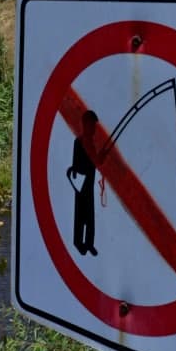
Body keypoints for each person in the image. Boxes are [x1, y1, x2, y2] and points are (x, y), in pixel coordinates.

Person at [67, 109, 98, 256]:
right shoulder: (79, 142)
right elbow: (78, 162)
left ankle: (89, 243)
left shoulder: (91, 143)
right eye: (92, 125)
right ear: (86, 125)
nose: (94, 129)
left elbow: (97, 161)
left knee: (90, 216)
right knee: (80, 216)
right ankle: (79, 243)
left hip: (90, 185)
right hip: (81, 185)